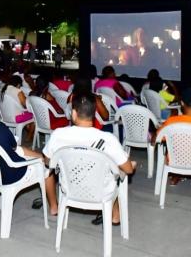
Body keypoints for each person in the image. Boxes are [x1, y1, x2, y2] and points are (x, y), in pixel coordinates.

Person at [42, 93, 136, 224]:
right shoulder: (107, 139)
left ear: (73, 114)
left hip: (69, 187)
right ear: (94, 114)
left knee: (46, 170)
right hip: (100, 190)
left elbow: (47, 162)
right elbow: (129, 170)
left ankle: (54, 206)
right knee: (123, 167)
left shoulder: (58, 134)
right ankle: (115, 215)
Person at [0, 75, 35, 141]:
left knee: (27, 114)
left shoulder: (3, 90)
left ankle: (30, 133)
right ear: (18, 84)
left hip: (4, 116)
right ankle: (29, 136)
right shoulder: (18, 91)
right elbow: (25, 105)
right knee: (34, 115)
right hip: (16, 118)